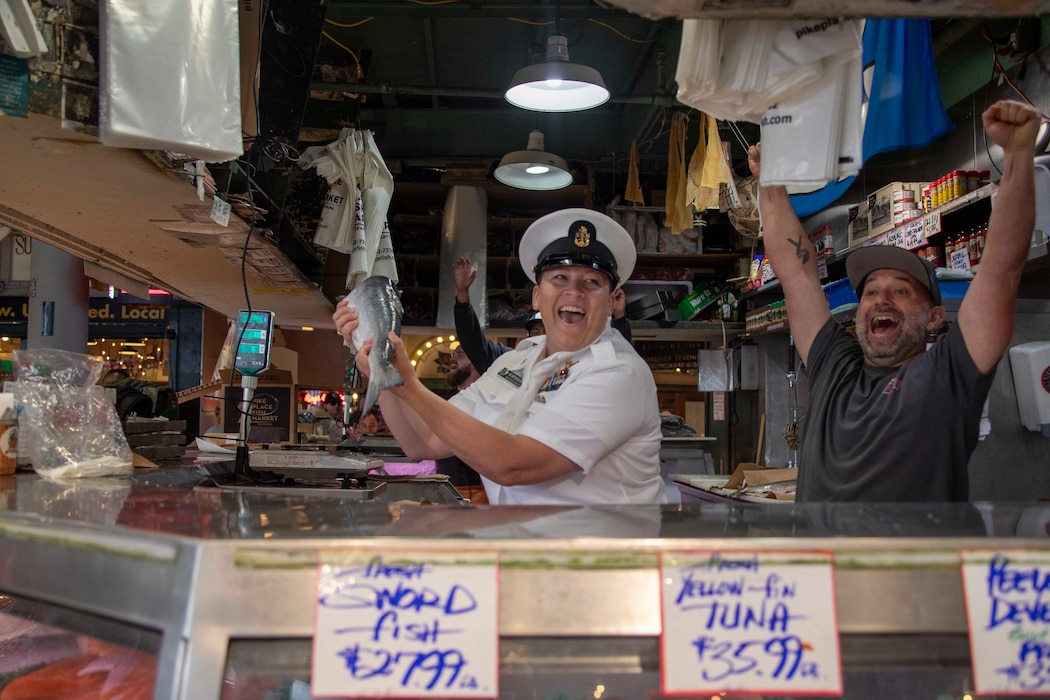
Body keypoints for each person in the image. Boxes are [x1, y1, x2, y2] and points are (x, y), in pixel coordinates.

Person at [751, 99, 1040, 502]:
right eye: (870, 292)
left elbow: (1001, 270)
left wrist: (1019, 155)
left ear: (935, 317)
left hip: (909, 566)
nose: (880, 300)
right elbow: (797, 274)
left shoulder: (948, 375)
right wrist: (771, 181)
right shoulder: (834, 365)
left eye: (900, 290)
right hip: (821, 566)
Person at [335, 208, 665, 505]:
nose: (573, 292)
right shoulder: (516, 361)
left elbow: (512, 464)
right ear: (537, 296)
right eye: (559, 278)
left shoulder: (618, 373)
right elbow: (426, 441)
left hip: (604, 562)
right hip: (526, 553)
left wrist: (408, 384)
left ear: (611, 302)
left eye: (591, 282)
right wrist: (381, 366)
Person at [452, 255, 633, 375]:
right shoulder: (513, 362)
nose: (540, 336)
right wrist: (462, 295)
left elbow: (616, 357)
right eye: (536, 332)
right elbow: (472, 341)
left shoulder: (579, 365)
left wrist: (619, 317)